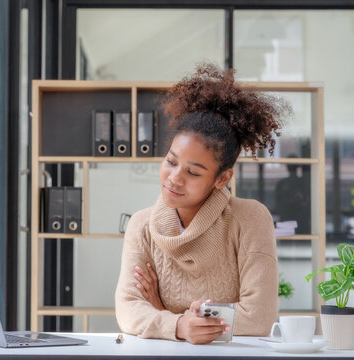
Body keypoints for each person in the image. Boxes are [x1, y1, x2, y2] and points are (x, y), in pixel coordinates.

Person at [115, 63, 291, 344]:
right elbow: (127, 311)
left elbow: (259, 318)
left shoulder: (250, 219)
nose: (174, 178)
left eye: (193, 172)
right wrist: (180, 325)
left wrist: (163, 313)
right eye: (171, 161)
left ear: (222, 178)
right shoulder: (142, 225)